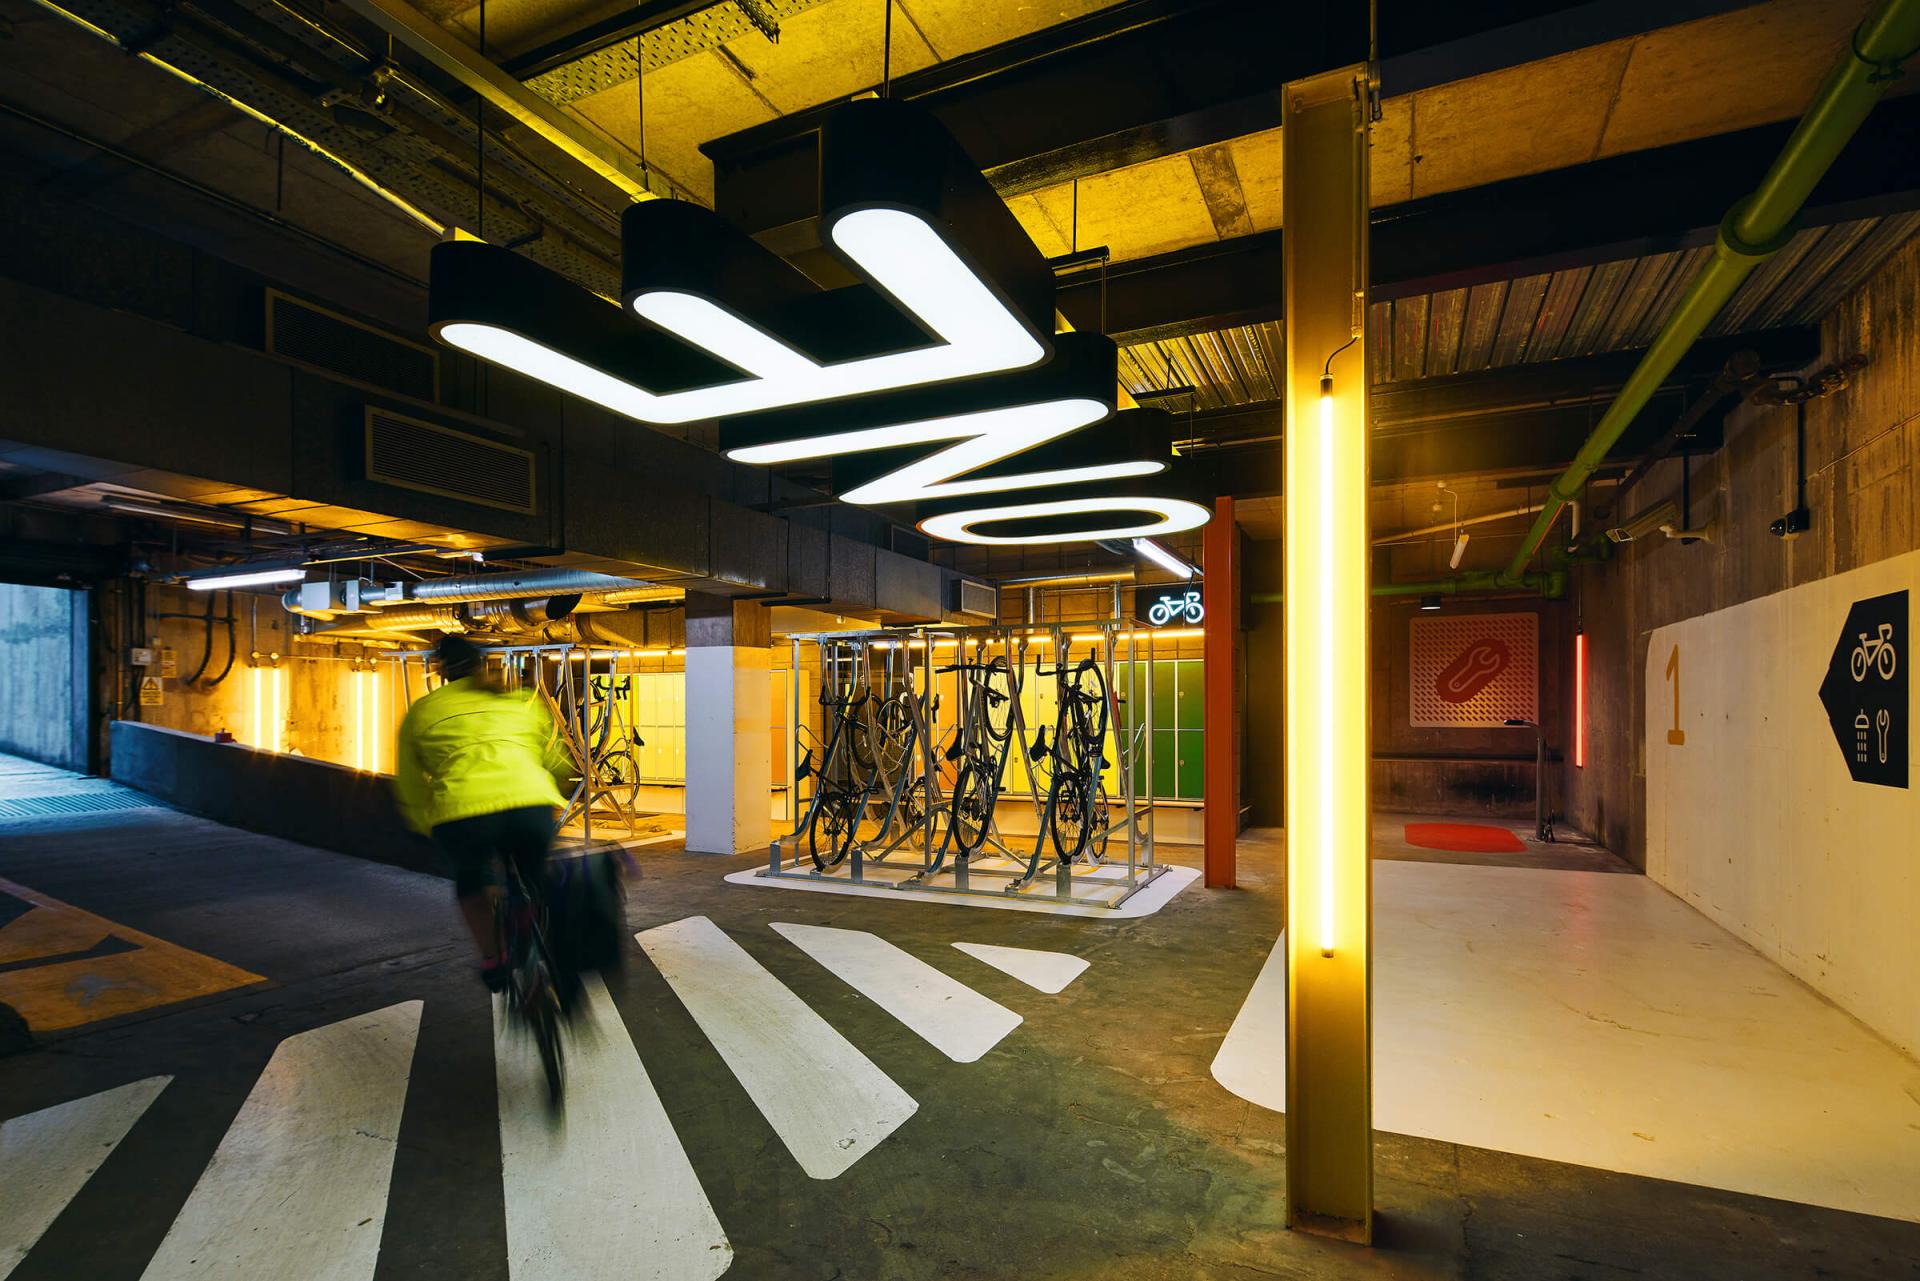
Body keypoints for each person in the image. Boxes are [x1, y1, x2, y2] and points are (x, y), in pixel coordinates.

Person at [393, 634, 574, 990]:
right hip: (529, 805)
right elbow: (555, 759)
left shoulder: (422, 711)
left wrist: (421, 824)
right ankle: (530, 919)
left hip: (463, 812)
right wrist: (554, 793)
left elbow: (411, 783)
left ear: (441, 671)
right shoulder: (517, 701)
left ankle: (495, 957)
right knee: (531, 877)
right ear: (482, 665)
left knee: (472, 882)